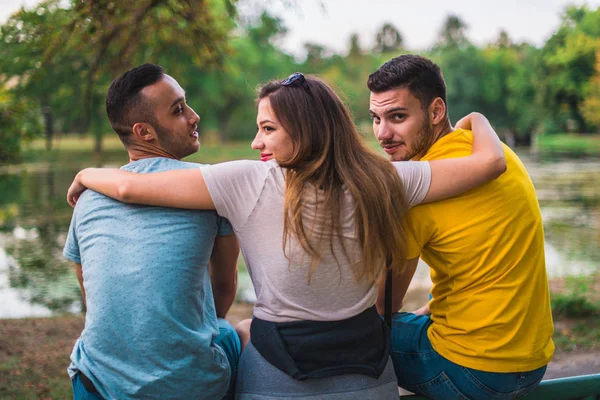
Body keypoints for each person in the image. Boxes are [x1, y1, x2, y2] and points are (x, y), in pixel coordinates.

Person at [66, 72, 506, 399]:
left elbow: (126, 186)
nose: (257, 143)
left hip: (275, 380)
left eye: (267, 129)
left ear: (304, 129)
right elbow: (490, 164)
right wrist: (477, 120)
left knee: (240, 331)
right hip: (371, 376)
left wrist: (86, 173)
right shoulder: (386, 178)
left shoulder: (245, 182)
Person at [369, 54, 554, 400]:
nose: (383, 133)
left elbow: (383, 307)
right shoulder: (496, 153)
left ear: (436, 111)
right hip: (532, 363)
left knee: (354, 333)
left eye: (397, 117)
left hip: (474, 372)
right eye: (375, 118)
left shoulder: (416, 188)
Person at [63, 63, 241, 400]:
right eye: (178, 110)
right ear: (145, 132)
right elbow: (223, 286)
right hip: (190, 386)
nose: (194, 116)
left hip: (95, 383)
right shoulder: (208, 187)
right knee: (230, 333)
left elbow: (88, 285)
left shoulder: (87, 199)